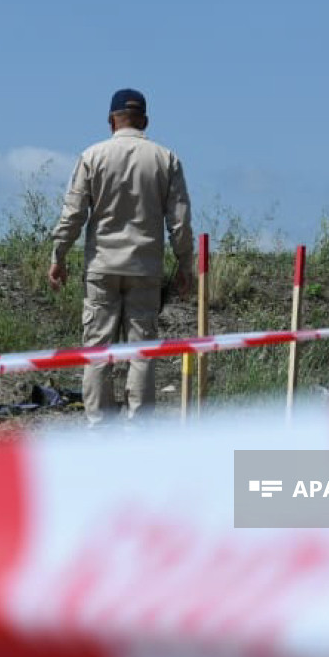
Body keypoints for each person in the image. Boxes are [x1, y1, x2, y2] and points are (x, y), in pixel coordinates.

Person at [48, 88, 194, 426]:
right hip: (145, 268)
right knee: (142, 351)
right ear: (145, 120)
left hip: (101, 266)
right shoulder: (166, 158)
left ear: (111, 120)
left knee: (97, 351)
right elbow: (180, 221)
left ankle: (99, 428)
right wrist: (185, 263)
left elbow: (73, 214)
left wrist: (59, 254)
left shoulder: (92, 156)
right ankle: (138, 429)